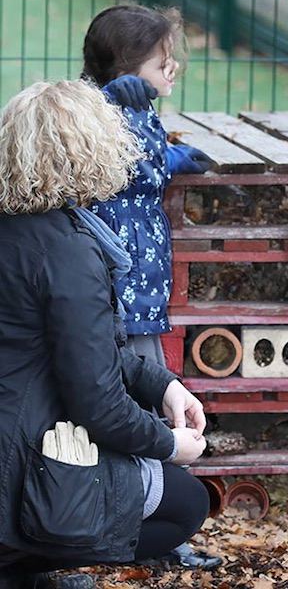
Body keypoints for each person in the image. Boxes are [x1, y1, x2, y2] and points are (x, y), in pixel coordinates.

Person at [0, 81, 210, 589]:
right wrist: (168, 444)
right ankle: (15, 567)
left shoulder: (22, 230)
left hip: (14, 426)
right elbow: (96, 401)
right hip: (18, 457)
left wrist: (163, 384)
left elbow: (83, 350)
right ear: (95, 150)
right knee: (186, 504)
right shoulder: (67, 251)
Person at [80, 5, 218, 571]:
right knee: (141, 412)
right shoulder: (114, 114)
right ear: (131, 70)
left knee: (152, 405)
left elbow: (149, 160)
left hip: (139, 294)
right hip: (124, 300)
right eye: (165, 61)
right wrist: (173, 155)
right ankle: (152, 522)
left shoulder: (126, 110)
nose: (176, 68)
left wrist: (174, 152)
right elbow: (139, 165)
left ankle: (154, 517)